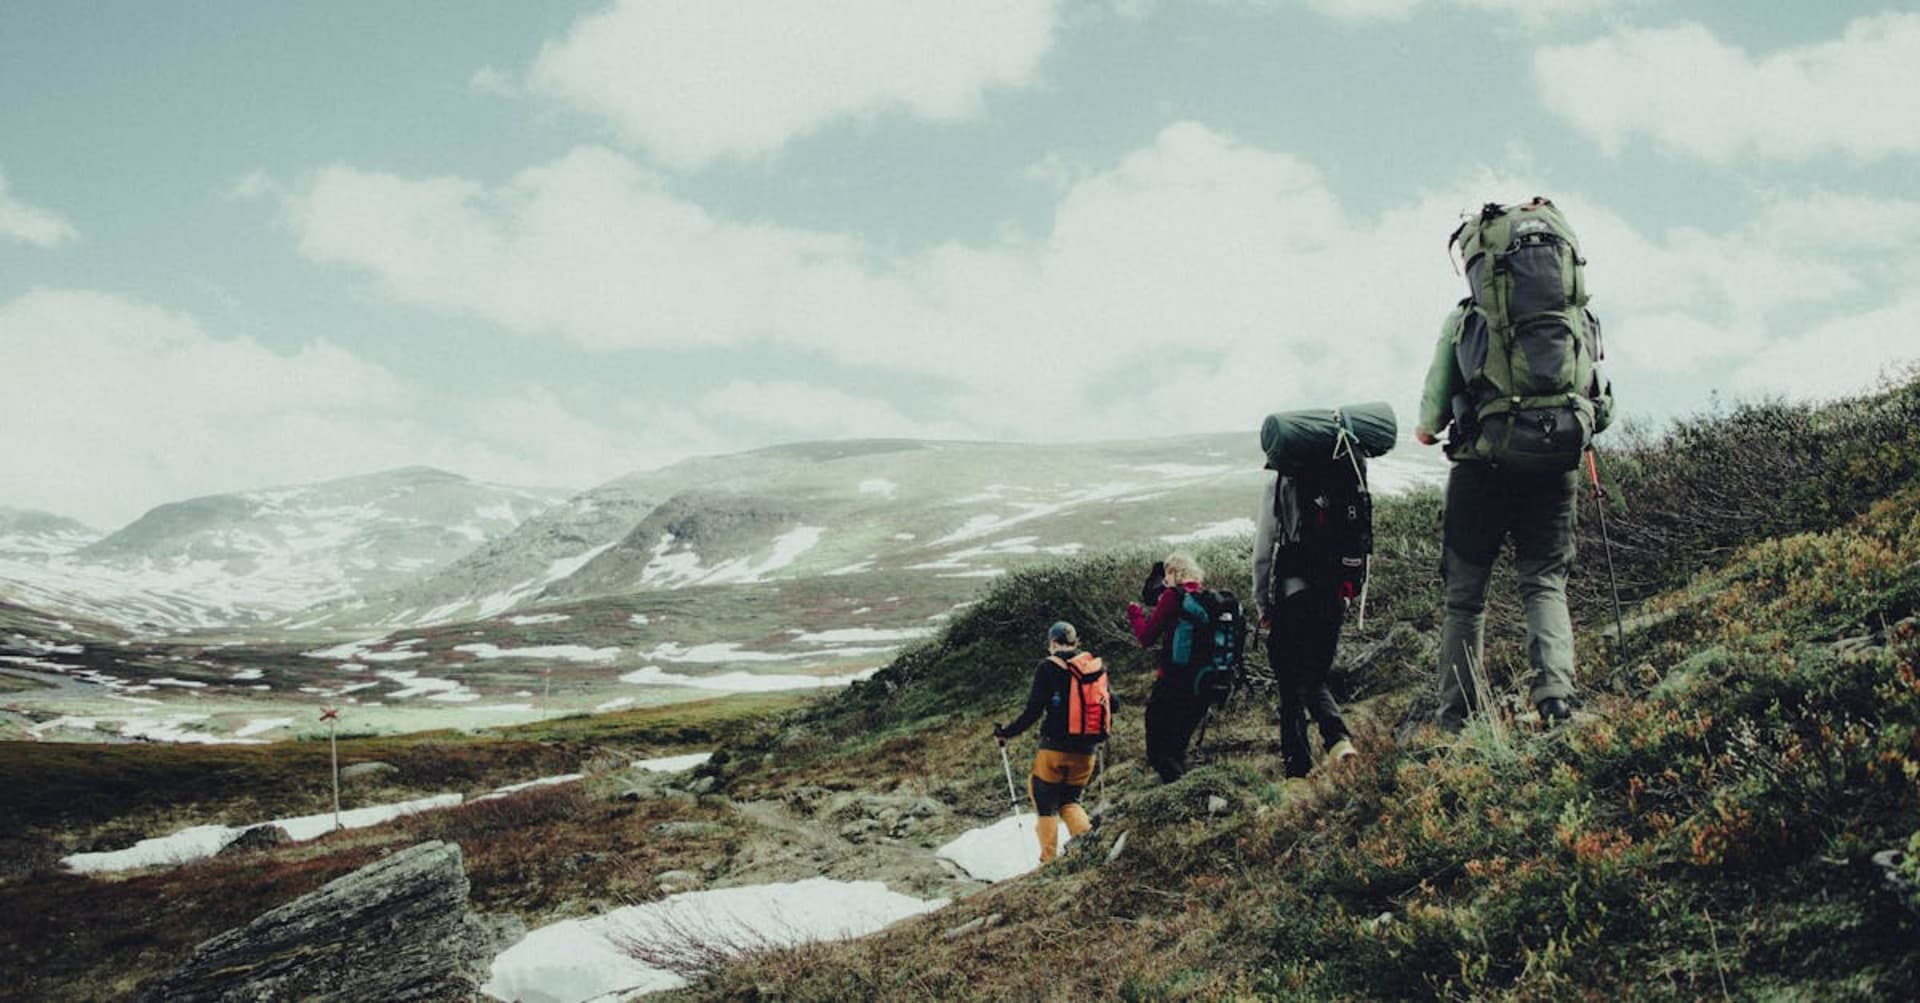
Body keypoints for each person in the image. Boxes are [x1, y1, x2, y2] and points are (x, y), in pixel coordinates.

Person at [1415, 211, 1615, 732]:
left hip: (1481, 470)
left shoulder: (1463, 321)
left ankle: (1458, 718)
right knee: (1545, 581)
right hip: (1555, 467)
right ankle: (1555, 699)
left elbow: (1429, 421)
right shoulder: (1578, 320)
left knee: (1465, 597)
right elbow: (1602, 405)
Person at [1253, 467, 1359, 777]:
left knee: (1289, 686)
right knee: (1314, 677)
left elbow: (1263, 550)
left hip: (1293, 595)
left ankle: (1298, 771)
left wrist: (1262, 601)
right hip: (1334, 595)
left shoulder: (1279, 482)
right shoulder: (1345, 478)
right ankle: (1338, 741)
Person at [993, 621, 1102, 864]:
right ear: (1076, 643)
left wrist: (1006, 733)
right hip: (1087, 752)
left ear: (1053, 643)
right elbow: (1111, 703)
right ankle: (1088, 850)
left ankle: (1049, 862)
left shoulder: (1047, 668)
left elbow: (1033, 711)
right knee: (1070, 801)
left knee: (1045, 802)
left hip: (1055, 748)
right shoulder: (1091, 666)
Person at [1127, 552, 1210, 782]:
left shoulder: (1173, 597)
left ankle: (1179, 792)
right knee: (1176, 748)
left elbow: (1146, 637)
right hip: (1203, 683)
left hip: (1173, 681)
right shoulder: (1204, 595)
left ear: (1173, 571)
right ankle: (1186, 794)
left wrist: (1135, 614)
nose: (1164, 582)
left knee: (1158, 750)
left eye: (1166, 576)